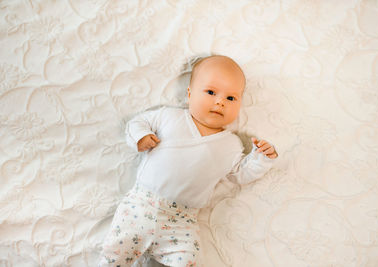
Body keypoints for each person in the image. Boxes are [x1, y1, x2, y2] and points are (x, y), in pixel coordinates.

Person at [99, 55, 278, 267]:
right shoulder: (169, 117)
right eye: (211, 92)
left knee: (187, 259)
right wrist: (140, 136)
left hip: (181, 221)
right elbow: (137, 123)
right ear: (190, 94)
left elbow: (241, 175)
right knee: (116, 252)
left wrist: (262, 158)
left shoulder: (231, 144)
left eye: (231, 98)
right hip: (141, 206)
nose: (220, 101)